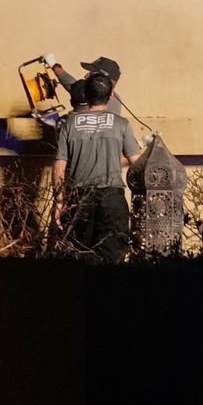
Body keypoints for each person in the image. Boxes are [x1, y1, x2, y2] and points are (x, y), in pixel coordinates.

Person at [53, 72, 140, 264]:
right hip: (112, 199)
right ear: (110, 96)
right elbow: (137, 162)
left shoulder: (69, 124)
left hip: (78, 199)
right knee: (112, 258)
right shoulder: (121, 124)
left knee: (78, 255)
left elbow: (60, 164)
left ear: (86, 94)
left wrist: (59, 202)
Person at [45, 53, 124, 116]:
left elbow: (73, 86)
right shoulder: (116, 99)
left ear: (101, 79)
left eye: (91, 73)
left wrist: (54, 65)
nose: (86, 76)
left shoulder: (93, 94)